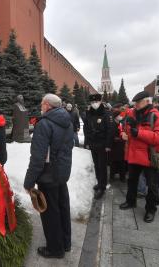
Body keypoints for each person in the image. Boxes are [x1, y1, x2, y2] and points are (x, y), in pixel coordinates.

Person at [24, 94, 74, 259]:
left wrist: (29, 181)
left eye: (42, 103)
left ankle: (55, 249)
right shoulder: (66, 120)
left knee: (50, 213)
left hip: (48, 175)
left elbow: (38, 157)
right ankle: (65, 243)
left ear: (47, 105)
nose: (41, 106)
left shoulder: (44, 124)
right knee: (62, 208)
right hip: (61, 173)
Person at [119, 91, 159, 223]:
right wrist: (124, 133)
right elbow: (125, 129)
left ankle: (151, 209)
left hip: (149, 157)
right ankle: (131, 201)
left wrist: (138, 133)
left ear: (147, 102)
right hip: (133, 155)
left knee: (152, 185)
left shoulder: (157, 116)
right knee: (132, 181)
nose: (135, 105)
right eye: (135, 103)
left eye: (138, 103)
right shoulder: (131, 113)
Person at [83, 93, 114, 199]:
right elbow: (86, 129)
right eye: (92, 102)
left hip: (103, 144)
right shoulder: (89, 113)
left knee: (102, 166)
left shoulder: (107, 113)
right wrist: (87, 142)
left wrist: (108, 145)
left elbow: (110, 130)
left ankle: (102, 186)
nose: (94, 104)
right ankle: (99, 182)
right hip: (93, 143)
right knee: (96, 165)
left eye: (96, 102)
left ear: (100, 101)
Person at [110, 103, 127, 182]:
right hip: (115, 147)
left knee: (121, 162)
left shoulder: (119, 123)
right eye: (120, 115)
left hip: (120, 146)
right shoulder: (113, 125)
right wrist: (121, 139)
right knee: (115, 162)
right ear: (116, 117)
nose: (121, 116)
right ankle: (113, 176)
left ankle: (121, 176)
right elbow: (112, 136)